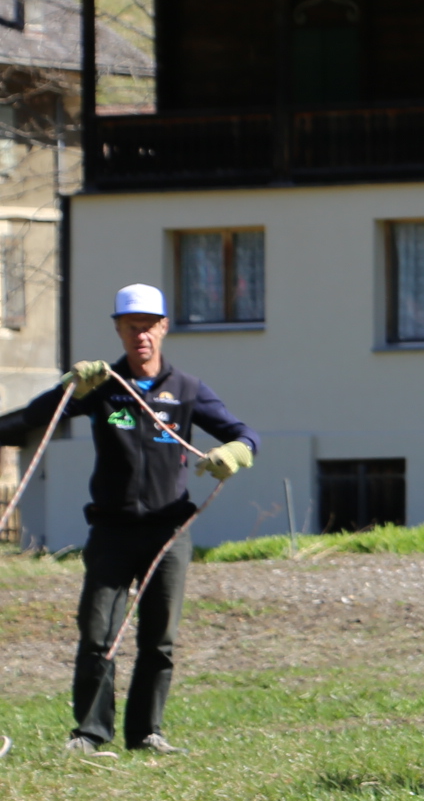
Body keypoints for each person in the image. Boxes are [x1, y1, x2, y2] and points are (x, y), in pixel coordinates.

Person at [0, 285, 256, 758]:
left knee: (160, 640)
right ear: (118, 329)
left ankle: (146, 733)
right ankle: (91, 733)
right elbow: (37, 417)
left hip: (169, 533)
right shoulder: (103, 387)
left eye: (149, 326)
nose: (141, 335)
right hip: (111, 532)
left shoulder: (187, 390)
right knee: (98, 634)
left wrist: (236, 452)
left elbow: (244, 433)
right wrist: (69, 387)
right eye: (131, 326)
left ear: (164, 327)